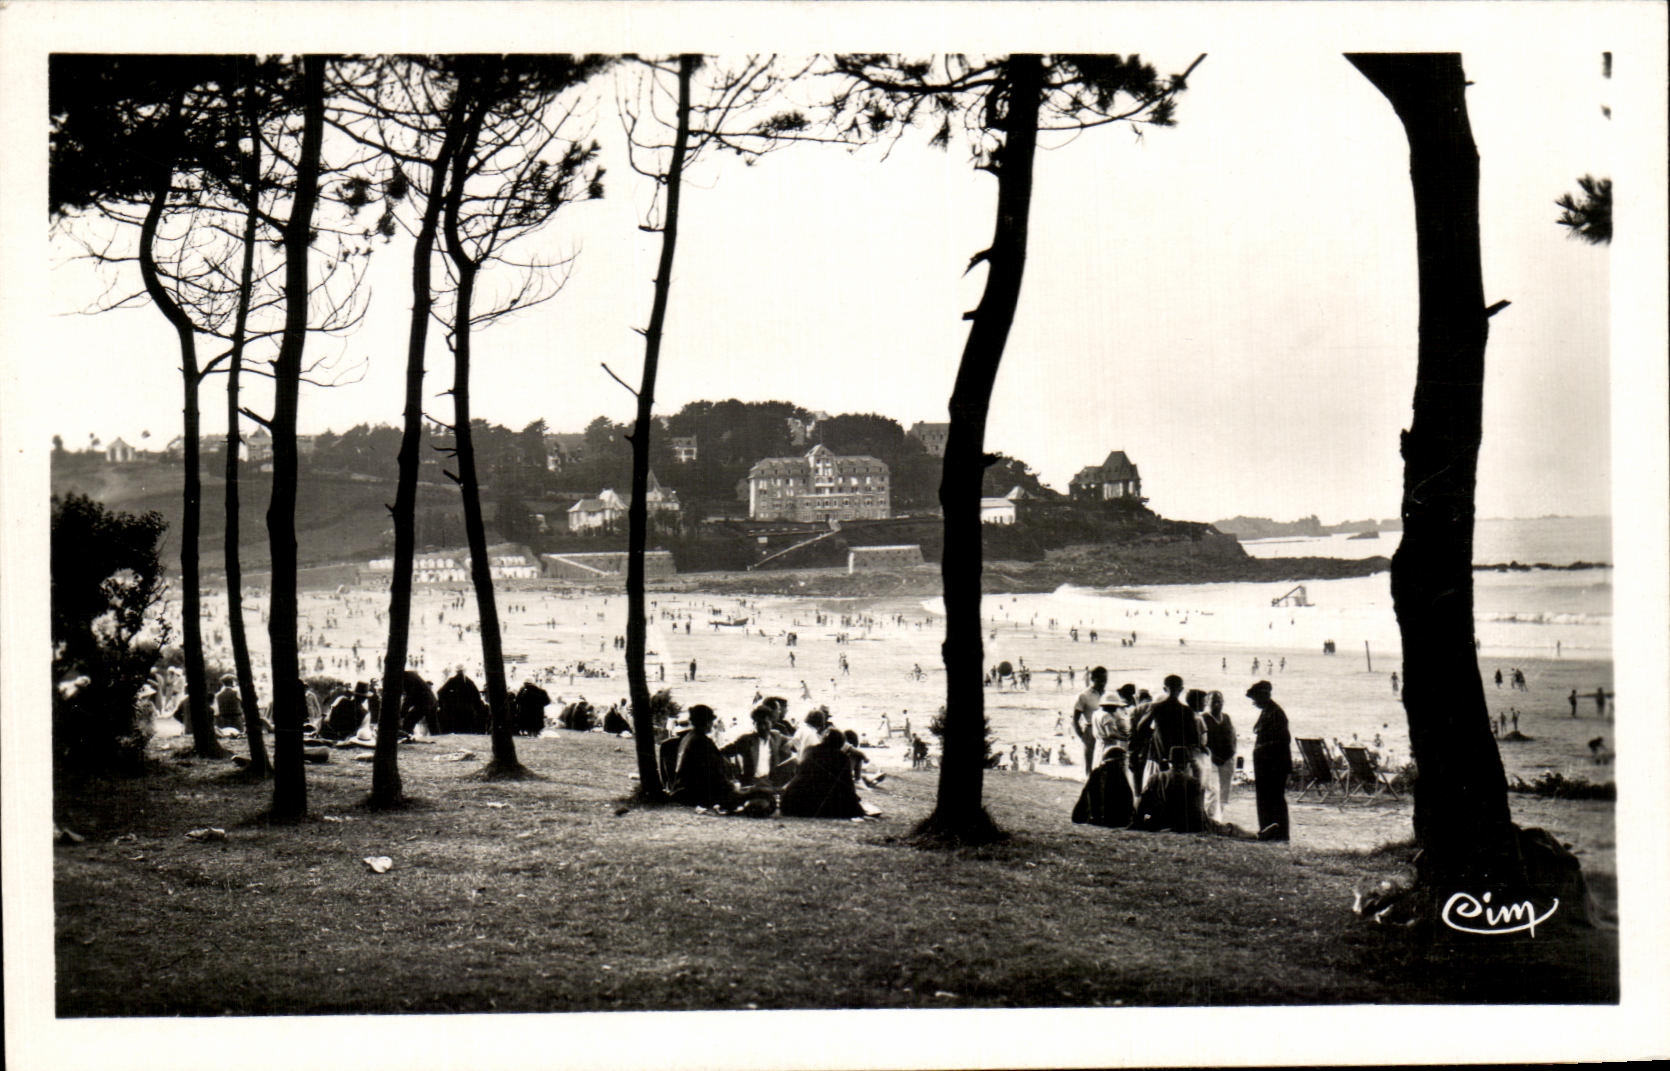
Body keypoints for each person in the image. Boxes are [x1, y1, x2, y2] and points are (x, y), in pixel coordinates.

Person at [780, 725, 866, 818]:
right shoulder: (842, 757)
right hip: (816, 806)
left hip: (790, 804)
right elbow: (848, 786)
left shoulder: (808, 750)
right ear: (840, 744)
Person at [669, 705, 742, 809]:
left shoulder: (688, 737)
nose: (712, 725)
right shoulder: (702, 741)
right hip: (694, 793)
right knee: (744, 795)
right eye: (711, 722)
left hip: (683, 790)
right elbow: (714, 772)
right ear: (707, 723)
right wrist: (731, 786)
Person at [1247, 680, 1290, 842]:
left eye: (1255, 699)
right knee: (1266, 799)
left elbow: (1282, 741)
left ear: (1263, 696)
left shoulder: (1275, 713)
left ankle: (1278, 833)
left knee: (1274, 799)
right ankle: (1269, 830)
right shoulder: (1270, 711)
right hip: (1266, 765)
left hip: (1273, 766)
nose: (1254, 703)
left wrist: (1262, 751)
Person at [1130, 747, 1206, 833]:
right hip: (1182, 825)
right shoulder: (1192, 782)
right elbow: (1196, 810)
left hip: (1158, 822)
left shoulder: (1155, 778)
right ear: (1186, 764)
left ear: (1170, 764)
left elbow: (1142, 805)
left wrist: (1145, 819)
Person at [722, 705, 794, 788]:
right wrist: (734, 772)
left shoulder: (776, 736)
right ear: (754, 724)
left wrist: (787, 748)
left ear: (772, 723)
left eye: (766, 723)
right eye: (759, 724)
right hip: (752, 784)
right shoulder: (746, 740)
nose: (763, 727)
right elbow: (723, 753)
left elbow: (795, 741)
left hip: (770, 782)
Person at [1071, 740, 1134, 829]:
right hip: (1112, 820)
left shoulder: (1097, 773)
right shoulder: (1117, 775)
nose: (1123, 764)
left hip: (1096, 818)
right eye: (1122, 761)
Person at [1201, 690, 1237, 822]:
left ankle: (1218, 819)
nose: (1217, 705)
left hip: (1227, 760)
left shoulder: (1226, 717)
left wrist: (1232, 753)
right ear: (1207, 703)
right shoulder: (1204, 718)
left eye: (1220, 702)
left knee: (1224, 792)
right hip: (1211, 760)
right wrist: (1212, 757)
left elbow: (1233, 737)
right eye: (1213, 702)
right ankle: (1211, 819)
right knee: (1213, 790)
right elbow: (1203, 742)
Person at [1071, 667, 1108, 774]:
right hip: (1091, 730)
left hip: (1106, 731)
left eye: (1105, 680)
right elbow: (1075, 720)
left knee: (1105, 763)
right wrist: (1082, 737)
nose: (1103, 683)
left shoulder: (1107, 695)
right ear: (1093, 679)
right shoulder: (1084, 695)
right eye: (1100, 680)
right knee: (1091, 765)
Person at [437, 666, 487, 734]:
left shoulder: (454, 681)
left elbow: (441, 692)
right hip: (466, 712)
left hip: (457, 712)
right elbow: (477, 696)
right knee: (466, 731)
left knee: (460, 731)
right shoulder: (468, 682)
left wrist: (445, 704)